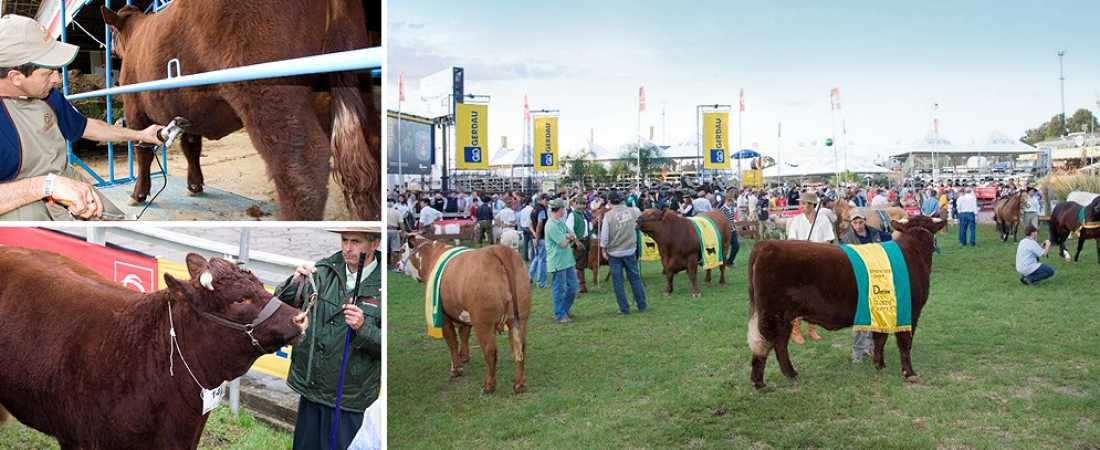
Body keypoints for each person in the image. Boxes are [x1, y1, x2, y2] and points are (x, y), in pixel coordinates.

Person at [0, 15, 168, 220]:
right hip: (16, 201)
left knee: (116, 224)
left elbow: (87, 126)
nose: (57, 78)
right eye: (47, 73)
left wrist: (141, 134)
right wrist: (46, 186)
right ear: (15, 78)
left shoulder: (48, 95)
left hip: (62, 180)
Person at [275, 227, 382, 450]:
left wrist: (363, 328)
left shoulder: (383, 287)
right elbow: (280, 306)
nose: (347, 248)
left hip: (351, 400)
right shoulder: (323, 270)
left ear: (375, 244)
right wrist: (294, 283)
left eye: (356, 241)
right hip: (313, 391)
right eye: (344, 240)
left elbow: (387, 347)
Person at [786, 191, 833, 343]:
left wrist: (816, 251)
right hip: (800, 262)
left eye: (806, 203)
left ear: (813, 205)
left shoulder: (823, 219)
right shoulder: (796, 220)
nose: (803, 206)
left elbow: (828, 241)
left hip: (819, 262)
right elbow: (792, 241)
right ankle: (795, 330)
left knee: (815, 297)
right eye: (802, 203)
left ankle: (812, 329)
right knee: (798, 297)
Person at [839, 211, 881, 363]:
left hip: (876, 277)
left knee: (874, 313)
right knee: (861, 316)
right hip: (857, 280)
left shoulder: (876, 233)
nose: (857, 225)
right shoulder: (845, 239)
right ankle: (857, 351)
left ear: (865, 221)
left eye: (860, 222)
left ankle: (870, 346)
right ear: (851, 223)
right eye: (854, 223)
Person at [599, 191, 647, 315]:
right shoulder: (633, 211)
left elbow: (604, 237)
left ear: (609, 202)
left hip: (614, 252)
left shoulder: (608, 216)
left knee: (618, 281)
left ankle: (624, 308)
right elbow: (640, 221)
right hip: (630, 249)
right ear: (622, 200)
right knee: (635, 278)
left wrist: (603, 249)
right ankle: (641, 304)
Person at [545, 198, 580, 323]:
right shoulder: (551, 225)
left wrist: (569, 237)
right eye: (563, 209)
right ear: (559, 210)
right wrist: (569, 238)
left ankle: (564, 309)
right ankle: (559, 314)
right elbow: (564, 243)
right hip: (557, 261)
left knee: (573, 287)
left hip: (567, 260)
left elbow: (571, 234)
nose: (564, 211)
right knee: (559, 288)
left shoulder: (560, 222)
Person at [565, 196, 591, 293]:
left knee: (582, 264)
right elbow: (568, 229)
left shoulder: (585, 214)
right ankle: (578, 285)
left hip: (586, 240)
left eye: (584, 203)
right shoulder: (572, 215)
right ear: (575, 204)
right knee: (578, 264)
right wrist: (576, 241)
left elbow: (588, 227)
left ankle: (581, 285)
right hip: (578, 241)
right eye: (580, 203)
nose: (582, 205)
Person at [528, 194, 549, 288]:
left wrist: (534, 236)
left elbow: (530, 225)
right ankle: (541, 283)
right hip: (541, 237)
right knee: (542, 260)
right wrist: (537, 237)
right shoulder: (541, 209)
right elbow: (540, 223)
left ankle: (528, 277)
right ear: (543, 200)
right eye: (547, 201)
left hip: (535, 237)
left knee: (537, 258)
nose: (548, 203)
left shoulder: (534, 209)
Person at [719, 195, 741, 267]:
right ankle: (724, 262)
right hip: (726, 231)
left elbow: (732, 218)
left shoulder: (731, 208)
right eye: (730, 201)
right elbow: (722, 220)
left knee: (736, 246)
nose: (731, 203)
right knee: (725, 247)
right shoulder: (722, 209)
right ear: (726, 201)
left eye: (732, 201)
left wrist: (734, 223)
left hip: (732, 229)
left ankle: (730, 261)